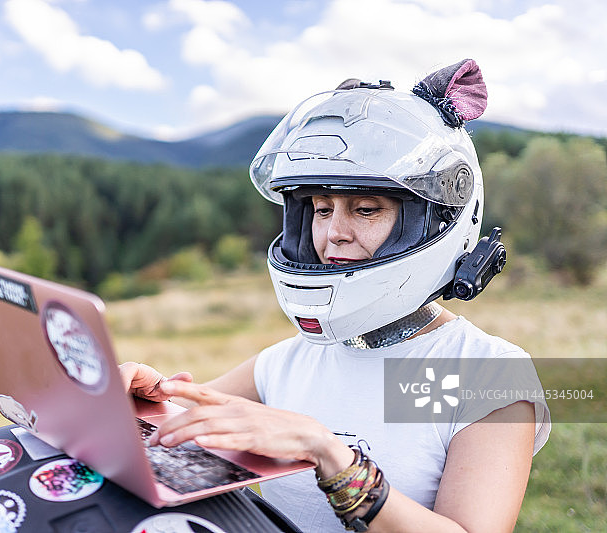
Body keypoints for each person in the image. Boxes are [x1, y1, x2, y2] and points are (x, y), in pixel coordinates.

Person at [120, 59, 550, 532]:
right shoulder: (287, 362)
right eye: (322, 209)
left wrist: (329, 454)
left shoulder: (488, 372)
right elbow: (176, 426)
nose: (333, 234)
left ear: (433, 221)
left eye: (365, 209)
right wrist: (142, 397)